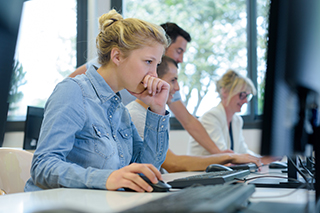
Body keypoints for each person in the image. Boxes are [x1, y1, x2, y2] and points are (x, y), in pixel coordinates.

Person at [24, 9, 171, 193]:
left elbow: (146, 172)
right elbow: (42, 166)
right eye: (148, 62)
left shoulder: (119, 109)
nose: (154, 75)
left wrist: (157, 109)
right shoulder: (73, 91)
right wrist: (106, 178)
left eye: (156, 65)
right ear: (117, 56)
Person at [69, 22, 232, 155]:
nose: (181, 59)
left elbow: (188, 120)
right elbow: (71, 88)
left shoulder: (163, 81)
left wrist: (219, 153)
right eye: (179, 50)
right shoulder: (110, 64)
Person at [127, 56, 261, 173]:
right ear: (154, 79)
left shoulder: (155, 114)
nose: (178, 87)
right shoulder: (137, 115)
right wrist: (228, 157)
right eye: (173, 80)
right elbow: (172, 164)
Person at [188, 70, 260, 158]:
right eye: (242, 95)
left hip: (222, 170)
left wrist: (263, 159)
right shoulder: (211, 117)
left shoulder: (237, 120)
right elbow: (223, 154)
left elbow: (243, 151)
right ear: (225, 91)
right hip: (201, 170)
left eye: (248, 96)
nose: (245, 101)